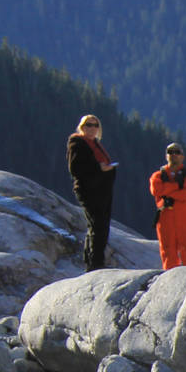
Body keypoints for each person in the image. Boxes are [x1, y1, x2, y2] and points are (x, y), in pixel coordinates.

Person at [65, 115, 118, 271]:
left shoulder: (95, 143)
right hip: (89, 190)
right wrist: (99, 168)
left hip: (102, 190)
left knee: (100, 224)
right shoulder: (77, 143)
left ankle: (92, 261)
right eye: (88, 125)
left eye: (95, 125)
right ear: (82, 127)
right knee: (97, 225)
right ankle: (95, 263)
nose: (92, 128)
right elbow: (75, 168)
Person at [148, 143, 186, 270]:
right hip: (165, 218)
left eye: (177, 152)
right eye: (170, 152)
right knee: (167, 251)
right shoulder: (157, 175)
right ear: (166, 156)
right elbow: (156, 190)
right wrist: (178, 187)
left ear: (182, 157)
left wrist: (167, 191)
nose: (173, 155)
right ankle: (170, 280)